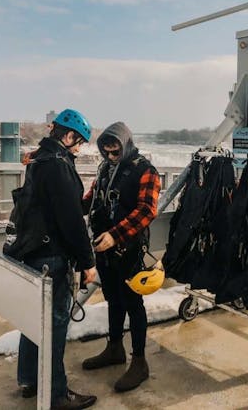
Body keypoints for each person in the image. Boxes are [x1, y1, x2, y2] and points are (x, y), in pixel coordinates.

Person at [16, 108, 98, 410]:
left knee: (33, 319)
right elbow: (71, 221)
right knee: (54, 325)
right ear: (68, 135)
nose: (79, 148)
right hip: (52, 257)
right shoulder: (57, 165)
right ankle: (57, 394)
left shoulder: (38, 160)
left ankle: (28, 379)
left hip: (33, 252)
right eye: (79, 142)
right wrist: (87, 261)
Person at [81, 122, 161, 392]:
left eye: (115, 150)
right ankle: (115, 348)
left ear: (125, 144)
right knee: (113, 298)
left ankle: (139, 362)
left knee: (132, 303)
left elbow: (147, 210)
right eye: (107, 151)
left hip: (128, 248)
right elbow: (92, 200)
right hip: (105, 247)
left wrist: (115, 235)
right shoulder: (105, 170)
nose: (111, 155)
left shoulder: (145, 170)